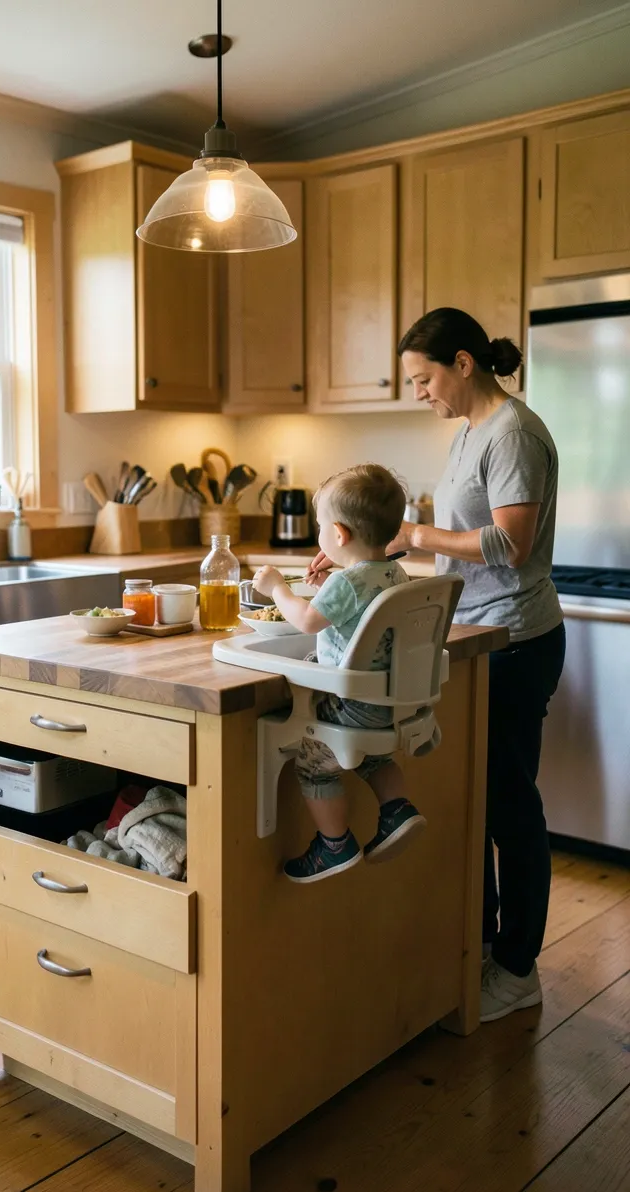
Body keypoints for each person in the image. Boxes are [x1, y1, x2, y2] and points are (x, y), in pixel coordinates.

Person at [310, 307, 565, 1022]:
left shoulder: (513, 432)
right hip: (483, 633)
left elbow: (507, 545)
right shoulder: (470, 434)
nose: (419, 392)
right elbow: (458, 537)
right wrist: (372, 554)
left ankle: (517, 969)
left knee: (510, 807)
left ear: (462, 363)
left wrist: (408, 532)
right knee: (479, 799)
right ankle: (481, 950)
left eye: (423, 378)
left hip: (515, 639)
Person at [253, 464, 426, 884]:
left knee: (312, 765)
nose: (318, 534)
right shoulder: (394, 573)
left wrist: (278, 588)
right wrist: (329, 584)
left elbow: (308, 623)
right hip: (388, 705)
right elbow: (354, 605)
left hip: (348, 707)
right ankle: (397, 809)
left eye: (320, 526)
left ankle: (334, 845)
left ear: (339, 535)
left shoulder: (346, 584)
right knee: (374, 756)